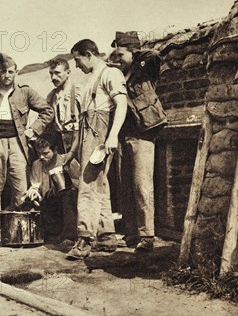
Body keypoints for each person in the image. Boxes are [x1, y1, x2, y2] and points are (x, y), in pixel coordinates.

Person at [65, 39, 129, 260]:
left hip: (100, 132)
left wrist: (111, 136)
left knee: (87, 182)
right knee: (99, 182)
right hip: (88, 131)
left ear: (88, 54)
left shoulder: (110, 73)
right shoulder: (90, 79)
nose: (76, 66)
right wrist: (73, 151)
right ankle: (106, 234)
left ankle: (85, 238)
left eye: (77, 60)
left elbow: (121, 105)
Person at [0, 53, 54, 243]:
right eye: (3, 71)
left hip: (18, 143)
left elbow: (47, 111)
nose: (6, 75)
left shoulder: (25, 92)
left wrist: (33, 129)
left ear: (16, 72)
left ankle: (18, 226)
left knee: (21, 185)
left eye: (10, 71)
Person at [111, 31, 167, 251]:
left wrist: (133, 54)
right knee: (126, 186)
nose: (116, 57)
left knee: (142, 184)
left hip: (143, 132)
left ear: (132, 51)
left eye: (120, 53)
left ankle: (147, 236)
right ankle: (131, 232)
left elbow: (155, 55)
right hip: (124, 134)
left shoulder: (145, 69)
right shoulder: (119, 75)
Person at [25, 137, 79, 245]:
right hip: (48, 205)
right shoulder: (36, 164)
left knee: (67, 194)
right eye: (39, 153)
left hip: (68, 205)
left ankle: (69, 236)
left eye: (46, 153)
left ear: (55, 150)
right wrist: (33, 192)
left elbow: (81, 185)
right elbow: (35, 185)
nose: (42, 157)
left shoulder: (67, 160)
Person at [43, 58, 81, 154]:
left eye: (57, 73)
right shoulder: (51, 96)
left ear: (68, 72)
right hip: (60, 141)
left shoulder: (79, 91)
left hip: (78, 138)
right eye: (51, 73)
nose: (53, 78)